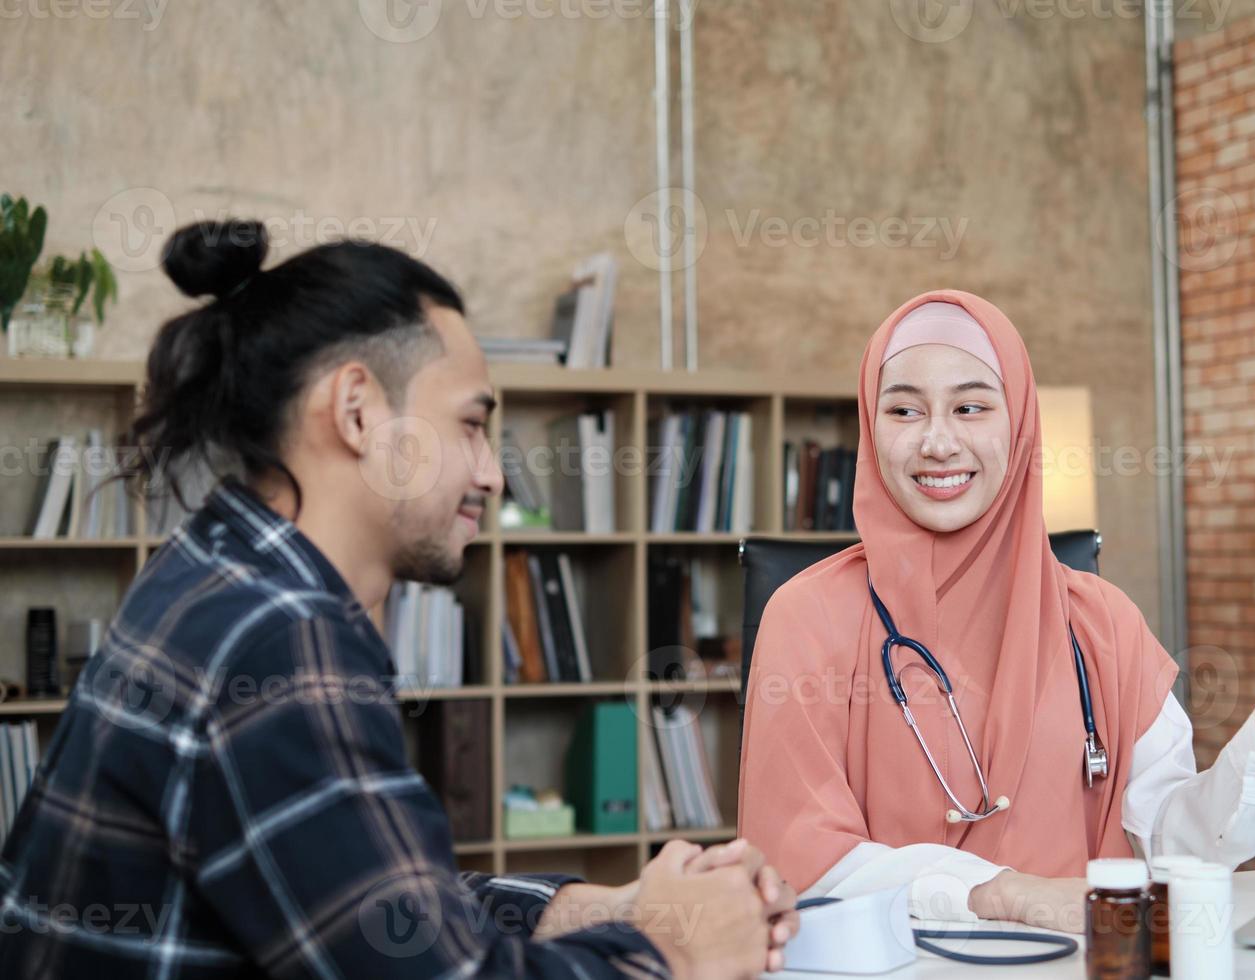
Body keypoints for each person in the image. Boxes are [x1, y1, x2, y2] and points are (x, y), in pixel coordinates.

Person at [0, 220, 797, 979]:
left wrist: (605, 908)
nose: (491, 475)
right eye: (471, 425)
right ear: (356, 411)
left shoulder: (216, 571)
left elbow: (379, 907)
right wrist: (674, 953)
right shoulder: (279, 644)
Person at [738, 290, 1255, 934]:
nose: (938, 441)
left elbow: (1169, 841)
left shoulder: (1099, 620)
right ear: (871, 424)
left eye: (971, 406)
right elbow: (803, 861)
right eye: (904, 409)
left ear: (1018, 428)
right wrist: (1005, 891)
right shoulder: (808, 616)